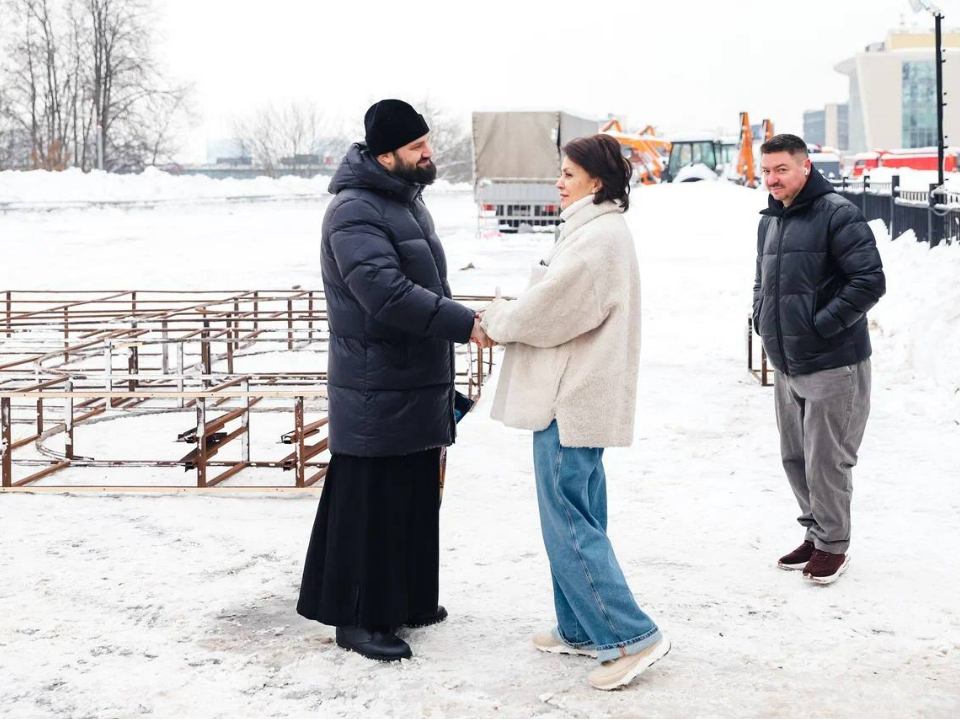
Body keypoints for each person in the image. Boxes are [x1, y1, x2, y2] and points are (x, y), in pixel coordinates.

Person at [297, 99, 493, 662]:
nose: (429, 153)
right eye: (416, 146)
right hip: (374, 383)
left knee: (411, 495)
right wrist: (464, 324)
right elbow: (384, 294)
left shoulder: (403, 202)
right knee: (371, 503)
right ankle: (359, 618)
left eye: (426, 142)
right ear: (385, 155)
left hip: (411, 377)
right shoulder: (354, 211)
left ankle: (405, 600)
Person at [480, 134, 670, 691]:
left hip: (570, 398)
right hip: (577, 394)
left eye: (567, 174)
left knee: (567, 520)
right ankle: (581, 628)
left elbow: (547, 313)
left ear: (596, 181)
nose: (558, 183)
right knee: (579, 514)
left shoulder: (596, 240)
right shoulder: (594, 231)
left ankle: (630, 636)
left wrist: (497, 318)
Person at [753, 134, 886, 584]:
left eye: (781, 169)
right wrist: (762, 317)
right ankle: (815, 532)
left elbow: (868, 282)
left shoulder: (838, 214)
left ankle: (833, 544)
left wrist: (820, 325)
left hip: (833, 361)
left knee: (827, 459)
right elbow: (762, 280)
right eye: (766, 170)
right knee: (795, 456)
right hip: (787, 361)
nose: (772, 179)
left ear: (805, 167)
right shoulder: (771, 221)